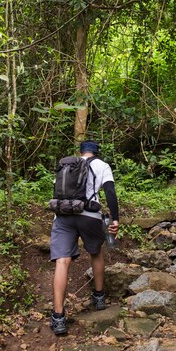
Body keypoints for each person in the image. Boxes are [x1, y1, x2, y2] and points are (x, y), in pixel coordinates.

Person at [49, 140, 119, 336]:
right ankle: (98, 298)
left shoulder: (67, 165)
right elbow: (110, 192)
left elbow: (57, 192)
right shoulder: (102, 165)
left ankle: (59, 317)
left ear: (80, 151)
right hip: (90, 216)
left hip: (63, 216)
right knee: (95, 253)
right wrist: (116, 219)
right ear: (96, 152)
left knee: (62, 262)